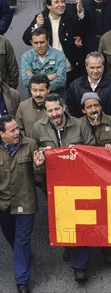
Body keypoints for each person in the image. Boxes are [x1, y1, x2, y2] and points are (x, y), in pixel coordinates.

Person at [31, 93, 95, 283]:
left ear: (64, 107)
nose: (54, 114)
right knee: (62, 221)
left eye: (57, 109)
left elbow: (91, 148)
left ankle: (80, 266)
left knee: (79, 222)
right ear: (45, 112)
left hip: (79, 183)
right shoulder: (37, 128)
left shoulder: (80, 124)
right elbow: (36, 161)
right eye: (50, 110)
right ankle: (69, 246)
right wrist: (39, 162)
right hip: (53, 185)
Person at [0, 114, 45, 293]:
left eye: (17, 128)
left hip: (25, 202)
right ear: (2, 134)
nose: (17, 132)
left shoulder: (30, 144)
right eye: (12, 131)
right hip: (3, 204)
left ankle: (22, 281)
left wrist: (38, 166)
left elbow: (39, 178)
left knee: (21, 240)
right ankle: (24, 255)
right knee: (11, 236)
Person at [23, 0, 85, 83]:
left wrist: (80, 12)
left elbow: (82, 29)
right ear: (49, 5)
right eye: (56, 2)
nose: (61, 5)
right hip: (47, 68)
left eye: (62, 1)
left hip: (67, 67)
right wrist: (37, 26)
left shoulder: (70, 16)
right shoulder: (41, 18)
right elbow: (26, 39)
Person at [65, 52, 111, 120]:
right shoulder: (74, 86)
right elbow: (70, 111)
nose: (95, 71)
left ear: (103, 66)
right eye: (92, 67)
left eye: (99, 67)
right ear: (86, 67)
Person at [21, 28, 67, 98]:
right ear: (31, 42)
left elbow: (61, 80)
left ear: (48, 41)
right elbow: (26, 81)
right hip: (34, 100)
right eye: (36, 43)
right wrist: (49, 77)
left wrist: (34, 77)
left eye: (42, 42)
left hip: (55, 99)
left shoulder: (59, 55)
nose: (39, 46)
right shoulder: (26, 57)